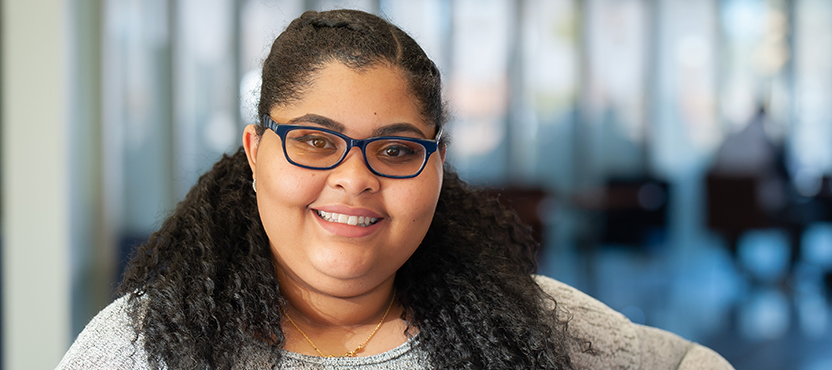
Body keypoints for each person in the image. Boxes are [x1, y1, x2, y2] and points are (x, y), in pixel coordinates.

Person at [57, 9, 733, 370]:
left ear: (436, 167)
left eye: (397, 150)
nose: (355, 178)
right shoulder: (144, 346)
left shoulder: (524, 326)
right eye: (316, 141)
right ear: (256, 154)